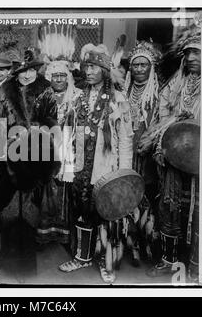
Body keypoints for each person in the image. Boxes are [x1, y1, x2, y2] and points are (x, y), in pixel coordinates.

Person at [58, 45, 133, 284]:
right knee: (82, 209)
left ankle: (106, 260)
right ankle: (82, 256)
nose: (88, 72)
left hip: (106, 167)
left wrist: (124, 173)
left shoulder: (118, 99)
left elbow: (125, 139)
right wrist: (67, 166)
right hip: (81, 165)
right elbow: (68, 133)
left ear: (104, 70)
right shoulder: (78, 96)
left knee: (107, 214)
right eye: (86, 67)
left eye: (94, 67)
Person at [0, 49, 59, 273]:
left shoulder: (46, 91)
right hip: (7, 159)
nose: (26, 76)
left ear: (37, 70)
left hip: (34, 161)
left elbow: (52, 123)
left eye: (31, 71)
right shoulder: (5, 92)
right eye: (21, 72)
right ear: (15, 73)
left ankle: (25, 265)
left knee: (28, 213)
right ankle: (4, 256)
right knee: (6, 211)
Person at [141, 30, 201, 281]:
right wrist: (176, 122)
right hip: (172, 157)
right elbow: (161, 116)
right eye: (188, 53)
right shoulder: (174, 85)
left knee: (198, 211)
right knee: (169, 206)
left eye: (197, 52)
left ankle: (199, 264)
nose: (191, 58)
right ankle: (169, 260)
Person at [34, 60, 82, 245]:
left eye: (63, 75)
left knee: (68, 190)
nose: (59, 79)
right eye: (55, 76)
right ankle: (46, 233)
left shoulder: (78, 96)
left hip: (71, 147)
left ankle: (66, 235)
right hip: (49, 146)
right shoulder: (43, 96)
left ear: (68, 77)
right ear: (49, 78)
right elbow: (36, 121)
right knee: (48, 188)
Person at [124, 40, 162, 266]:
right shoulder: (123, 91)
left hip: (147, 158)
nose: (139, 68)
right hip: (127, 155)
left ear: (151, 67)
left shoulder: (159, 94)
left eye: (143, 65)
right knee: (128, 200)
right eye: (135, 65)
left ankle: (148, 244)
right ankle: (131, 245)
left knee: (147, 200)